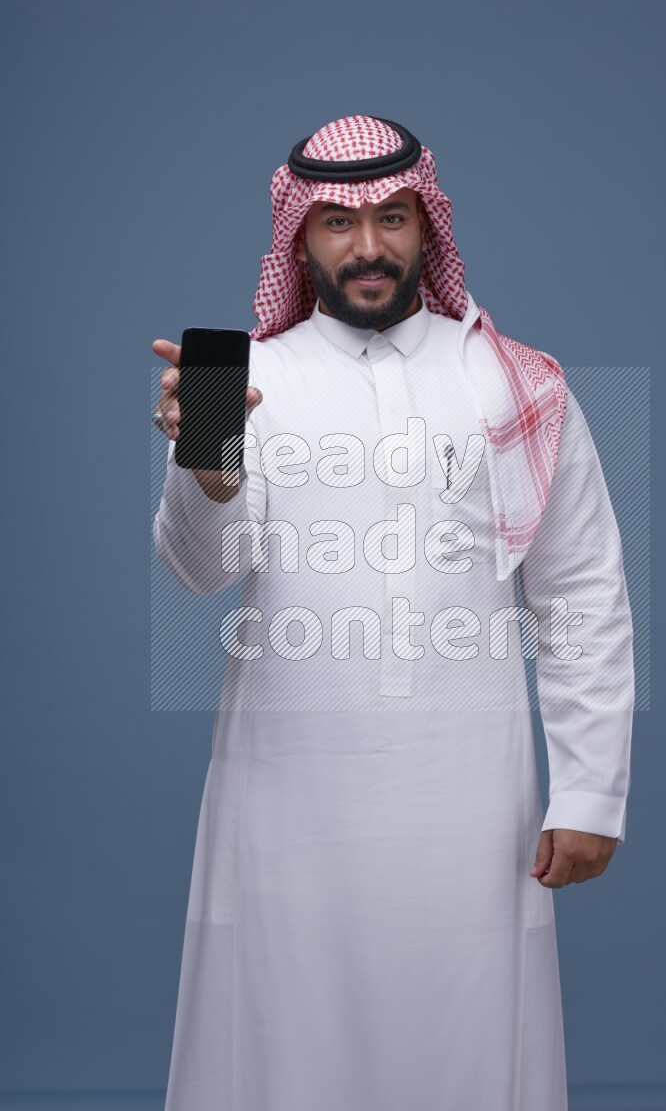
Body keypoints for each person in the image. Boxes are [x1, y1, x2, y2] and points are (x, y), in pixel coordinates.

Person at [152, 115, 634, 1111]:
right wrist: (207, 464)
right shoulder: (237, 382)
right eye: (336, 222)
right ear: (297, 239)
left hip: (468, 794)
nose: (366, 247)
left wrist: (588, 791)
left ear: (426, 225)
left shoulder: (517, 382)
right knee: (283, 1033)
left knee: (464, 1039)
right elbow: (200, 571)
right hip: (286, 798)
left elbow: (580, 587)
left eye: (391, 218)